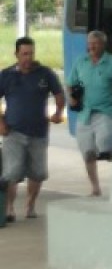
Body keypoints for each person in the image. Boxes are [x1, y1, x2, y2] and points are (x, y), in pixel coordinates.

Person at [0, 36, 65, 222]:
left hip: (39, 132)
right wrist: (1, 122)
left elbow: (59, 94)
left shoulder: (45, 73)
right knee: (11, 172)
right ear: (17, 54)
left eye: (31, 53)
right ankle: (9, 208)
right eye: (24, 54)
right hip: (13, 132)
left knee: (37, 173)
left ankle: (30, 205)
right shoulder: (6, 75)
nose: (28, 57)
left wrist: (59, 112)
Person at [66, 30, 112, 196]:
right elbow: (69, 84)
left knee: (106, 145)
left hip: (105, 111)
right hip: (84, 113)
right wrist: (71, 99)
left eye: (95, 43)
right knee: (87, 153)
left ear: (103, 44)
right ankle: (95, 188)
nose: (91, 46)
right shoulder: (81, 62)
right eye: (89, 43)